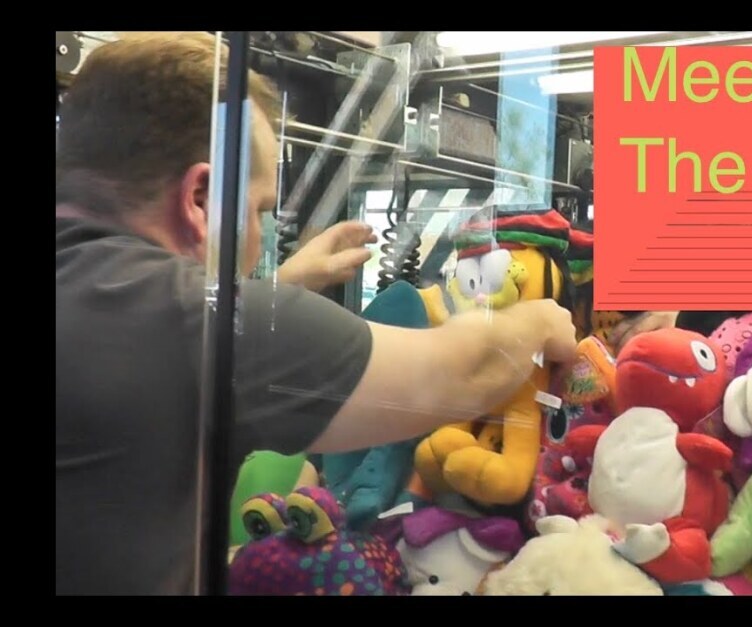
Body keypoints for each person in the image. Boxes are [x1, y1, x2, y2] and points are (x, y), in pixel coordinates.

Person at [55, 32, 577, 595]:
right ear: (201, 199)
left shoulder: (112, 303)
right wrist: (542, 320)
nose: (259, 235)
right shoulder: (194, 320)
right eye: (259, 209)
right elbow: (458, 374)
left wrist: (281, 285)